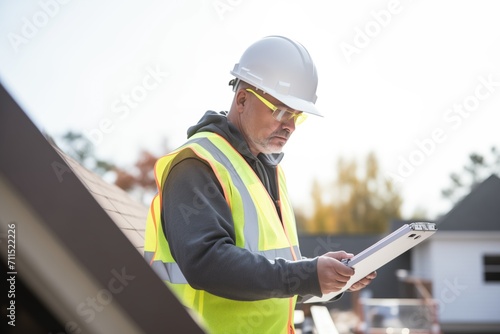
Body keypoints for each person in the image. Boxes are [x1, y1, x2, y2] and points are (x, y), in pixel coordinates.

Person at [144, 35, 376, 334]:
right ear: (242, 100)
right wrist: (306, 274)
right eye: (281, 111)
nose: (290, 126)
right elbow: (206, 263)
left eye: (296, 115)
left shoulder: (267, 169)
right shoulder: (197, 163)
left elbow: (269, 272)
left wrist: (322, 274)